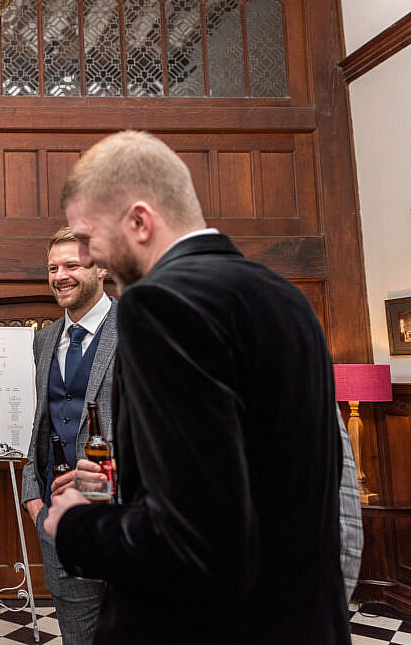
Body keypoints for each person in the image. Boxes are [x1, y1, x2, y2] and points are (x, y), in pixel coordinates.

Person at [44, 131, 349, 643]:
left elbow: (195, 541)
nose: (91, 259)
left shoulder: (160, 304)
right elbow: (255, 481)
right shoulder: (284, 297)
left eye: (89, 238)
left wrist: (75, 526)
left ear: (140, 221)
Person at [21, 228, 117, 645]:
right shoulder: (44, 340)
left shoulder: (139, 328)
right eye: (53, 268)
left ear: (101, 268)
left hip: (123, 515)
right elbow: (41, 420)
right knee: (77, 634)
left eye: (72, 265)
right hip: (56, 517)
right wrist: (32, 496)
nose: (60, 276)